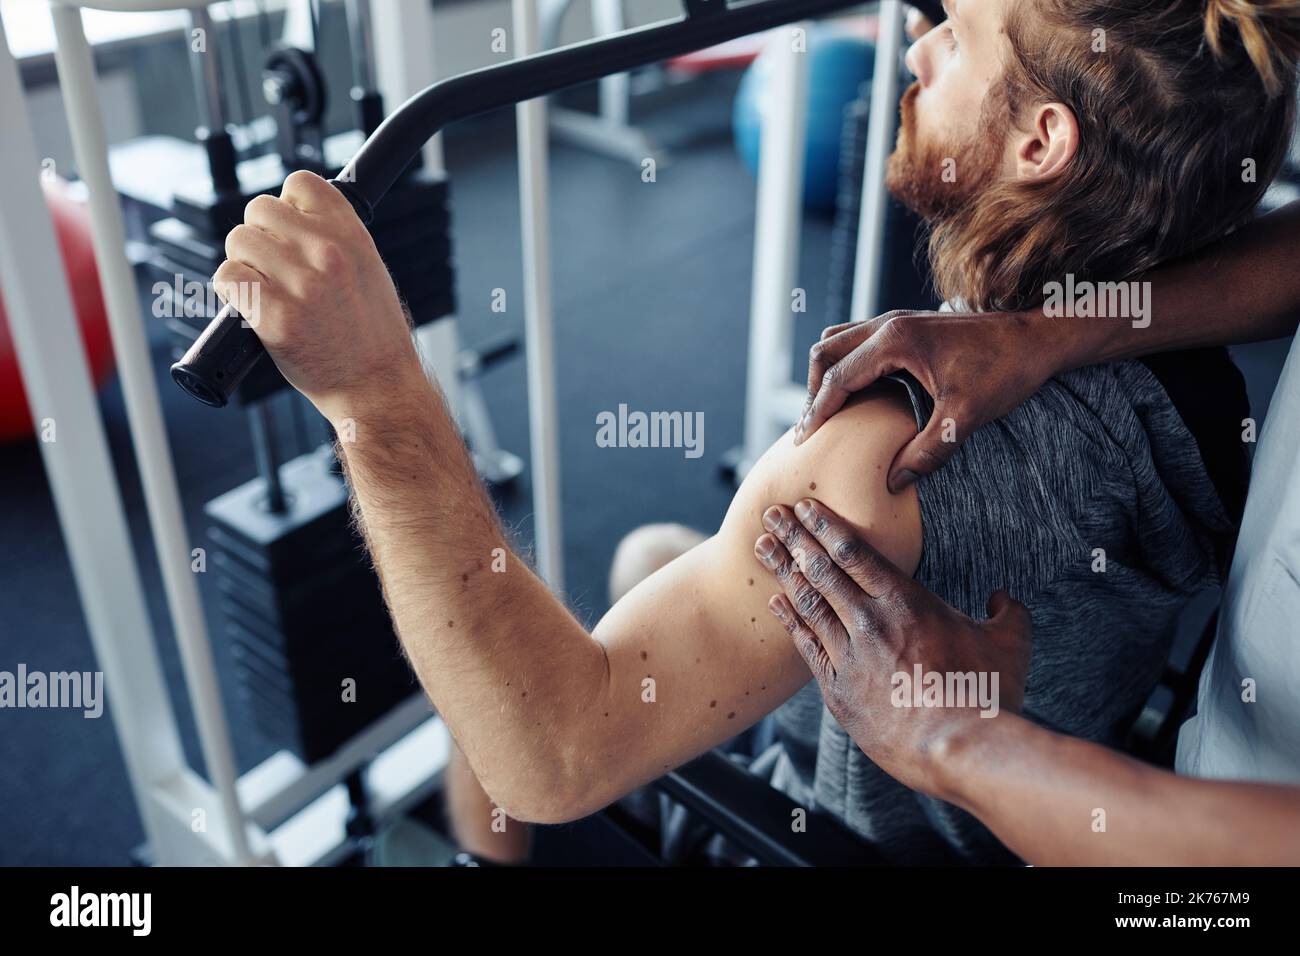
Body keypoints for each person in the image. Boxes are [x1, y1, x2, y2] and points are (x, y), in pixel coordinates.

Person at [209, 0, 1298, 863]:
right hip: (1016, 793)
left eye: (956, 35)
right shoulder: (1213, 367)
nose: (915, 49)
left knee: (477, 710)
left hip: (809, 836)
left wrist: (374, 394)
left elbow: (550, 751)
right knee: (645, 555)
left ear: (1039, 138)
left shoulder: (889, 453)